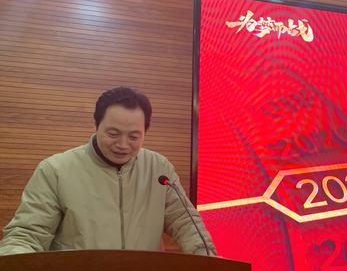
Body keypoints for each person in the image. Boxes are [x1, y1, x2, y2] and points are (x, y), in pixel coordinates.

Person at [0, 86, 216, 256]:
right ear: (96, 125)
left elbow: (185, 223)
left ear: (145, 132)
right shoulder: (56, 171)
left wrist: (209, 262)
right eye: (113, 134)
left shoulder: (159, 169)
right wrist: (14, 269)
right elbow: (27, 234)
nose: (123, 144)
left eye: (134, 136)